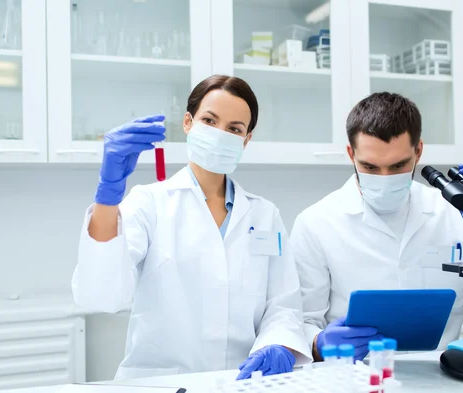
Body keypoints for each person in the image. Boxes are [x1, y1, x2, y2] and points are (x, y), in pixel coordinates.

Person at [72, 75, 312, 380]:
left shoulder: (264, 214)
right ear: (188, 122)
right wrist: (107, 197)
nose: (220, 134)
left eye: (234, 129)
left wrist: (278, 344)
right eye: (209, 120)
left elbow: (283, 305)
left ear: (246, 139)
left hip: (243, 381)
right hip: (162, 383)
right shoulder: (150, 203)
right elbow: (101, 295)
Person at [291, 92, 463, 362]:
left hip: (441, 375)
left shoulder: (452, 211)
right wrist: (318, 342)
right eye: (370, 167)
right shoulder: (316, 222)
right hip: (355, 377)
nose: (385, 178)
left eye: (398, 165)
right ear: (351, 154)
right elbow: (299, 321)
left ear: (418, 151)